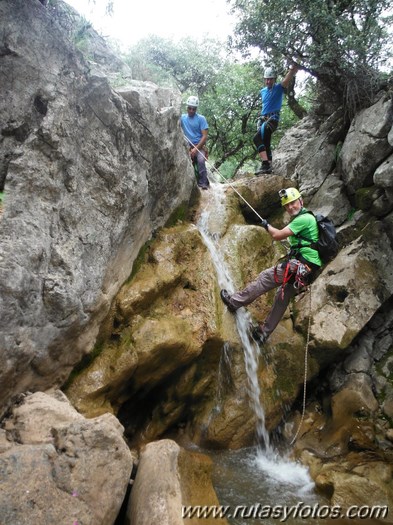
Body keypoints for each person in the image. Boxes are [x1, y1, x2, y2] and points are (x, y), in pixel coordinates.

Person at [220, 187, 322, 344]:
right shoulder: (306, 218)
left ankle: (234, 302)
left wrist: (267, 226)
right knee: (282, 297)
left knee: (265, 278)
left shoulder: (304, 219)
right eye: (287, 205)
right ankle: (263, 334)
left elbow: (277, 235)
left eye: (293, 203)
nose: (290, 207)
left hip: (299, 265)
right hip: (307, 269)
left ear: (300, 201)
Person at [254, 65, 298, 175]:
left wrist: (292, 70)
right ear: (264, 79)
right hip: (263, 119)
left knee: (256, 138)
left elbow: (286, 80)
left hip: (272, 120)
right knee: (265, 142)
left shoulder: (278, 88)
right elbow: (266, 105)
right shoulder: (263, 91)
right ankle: (268, 167)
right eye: (267, 79)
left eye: (270, 79)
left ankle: (265, 164)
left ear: (274, 79)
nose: (268, 81)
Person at [180, 96, 210, 190]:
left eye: (194, 109)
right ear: (187, 107)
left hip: (199, 145)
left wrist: (196, 149)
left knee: (201, 160)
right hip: (187, 145)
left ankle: (203, 182)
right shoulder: (182, 118)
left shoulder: (201, 119)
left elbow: (204, 136)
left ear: (196, 109)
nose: (191, 110)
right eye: (190, 108)